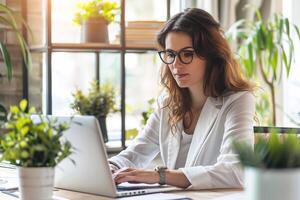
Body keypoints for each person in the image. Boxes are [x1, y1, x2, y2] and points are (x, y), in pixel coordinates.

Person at [109, 8, 255, 189]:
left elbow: (235, 171)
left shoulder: (238, 101)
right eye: (170, 54)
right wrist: (109, 167)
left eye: (187, 54)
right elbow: (136, 153)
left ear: (211, 55)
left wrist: (160, 176)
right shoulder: (167, 103)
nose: (176, 65)